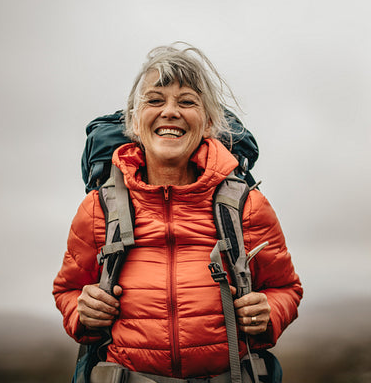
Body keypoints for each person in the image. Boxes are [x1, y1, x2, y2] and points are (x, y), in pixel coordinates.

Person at [53, 43, 303, 382]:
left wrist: (269, 312)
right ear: (134, 123)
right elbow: (68, 290)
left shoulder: (245, 204)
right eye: (155, 100)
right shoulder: (100, 207)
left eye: (187, 102)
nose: (170, 111)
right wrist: (82, 311)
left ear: (209, 123)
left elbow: (285, 287)